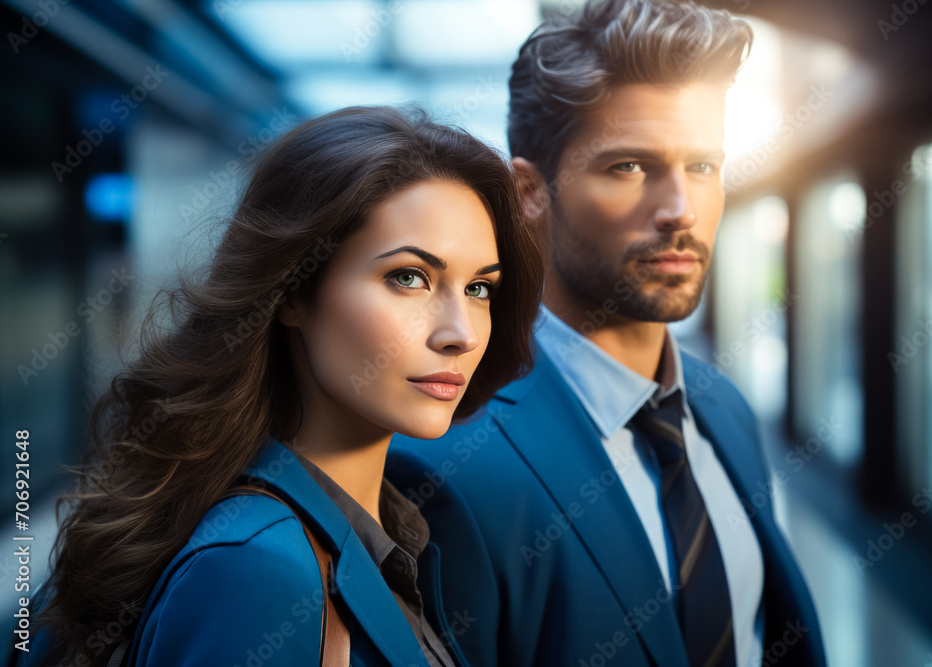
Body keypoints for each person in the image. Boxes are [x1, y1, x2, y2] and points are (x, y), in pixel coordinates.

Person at [13, 106, 542, 666]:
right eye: (408, 278)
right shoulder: (258, 571)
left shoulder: (390, 534)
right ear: (292, 291)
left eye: (481, 289)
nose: (460, 333)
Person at [387, 1, 827, 666]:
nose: (680, 209)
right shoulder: (446, 463)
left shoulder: (724, 408)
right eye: (629, 167)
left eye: (703, 167)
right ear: (531, 192)